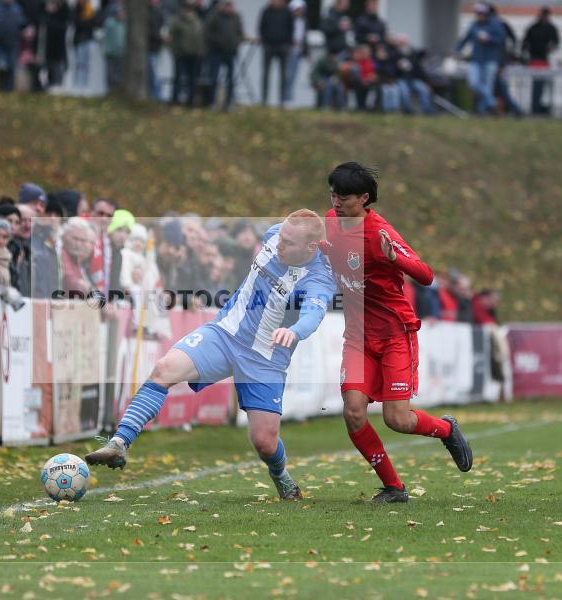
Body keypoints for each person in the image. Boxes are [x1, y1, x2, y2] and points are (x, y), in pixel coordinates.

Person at [87, 210, 336, 501]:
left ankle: (281, 476)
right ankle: (119, 443)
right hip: (223, 334)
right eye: (281, 237)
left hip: (264, 359)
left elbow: (313, 315)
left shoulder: (319, 278)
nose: (279, 244)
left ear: (310, 248)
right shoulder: (275, 234)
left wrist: (295, 332)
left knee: (265, 443)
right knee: (164, 369)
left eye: (288, 243)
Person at [321, 162, 472, 503]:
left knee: (397, 419)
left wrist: (396, 259)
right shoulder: (330, 222)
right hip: (357, 337)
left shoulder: (379, 232)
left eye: (343, 197)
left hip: (393, 334)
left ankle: (447, 430)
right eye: (332, 194)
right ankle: (394, 487)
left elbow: (426, 274)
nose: (336, 202)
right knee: (353, 411)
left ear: (364, 198)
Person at [455, 2, 505, 115]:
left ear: (486, 13)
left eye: (481, 13)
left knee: (487, 86)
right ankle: (492, 103)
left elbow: (501, 40)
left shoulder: (495, 24)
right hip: (476, 59)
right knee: (473, 83)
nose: (478, 15)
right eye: (477, 13)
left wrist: (489, 39)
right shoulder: (474, 25)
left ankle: (482, 111)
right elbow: (465, 39)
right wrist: (457, 50)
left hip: (490, 60)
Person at [205, 0, 244, 110]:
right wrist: (219, 42)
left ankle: (229, 102)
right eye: (226, 5)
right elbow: (208, 33)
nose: (228, 7)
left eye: (230, 5)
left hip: (230, 52)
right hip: (216, 52)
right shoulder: (214, 16)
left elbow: (240, 33)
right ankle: (211, 102)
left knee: (230, 78)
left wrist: (236, 43)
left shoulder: (236, 17)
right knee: (213, 77)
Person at [522, 6, 559, 116]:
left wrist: (551, 48)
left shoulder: (551, 28)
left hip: (544, 58)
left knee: (542, 84)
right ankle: (535, 107)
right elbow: (525, 42)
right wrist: (525, 51)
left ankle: (538, 106)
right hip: (534, 58)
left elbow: (556, 42)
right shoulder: (533, 27)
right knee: (536, 84)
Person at [169, 2, 205, 107]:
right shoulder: (176, 22)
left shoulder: (197, 22)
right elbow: (170, 38)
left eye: (189, 10)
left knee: (192, 79)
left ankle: (191, 101)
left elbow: (200, 39)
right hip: (180, 55)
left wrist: (200, 53)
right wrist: (174, 51)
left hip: (195, 55)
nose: (187, 12)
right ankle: (175, 100)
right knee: (178, 78)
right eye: (186, 9)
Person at [258, 0, 293, 108]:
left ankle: (282, 101)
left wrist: (287, 43)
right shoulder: (266, 11)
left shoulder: (287, 12)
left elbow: (291, 28)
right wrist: (265, 42)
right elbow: (261, 27)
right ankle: (264, 100)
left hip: (283, 47)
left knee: (283, 75)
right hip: (269, 46)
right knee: (266, 74)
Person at [73, 0, 97, 91]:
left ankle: (86, 84)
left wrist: (84, 22)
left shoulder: (90, 10)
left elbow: (94, 23)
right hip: (79, 40)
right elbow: (77, 23)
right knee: (80, 64)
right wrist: (85, 22)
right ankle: (79, 85)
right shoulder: (76, 9)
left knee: (87, 63)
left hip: (88, 40)